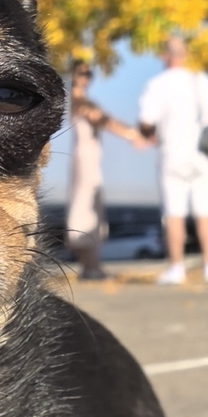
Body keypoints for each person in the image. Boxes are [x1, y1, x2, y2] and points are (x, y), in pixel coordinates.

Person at [136, 33, 208, 284]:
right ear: (185, 55)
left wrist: (149, 134)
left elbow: (146, 121)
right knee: (206, 212)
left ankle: (176, 268)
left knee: (174, 213)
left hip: (171, 155)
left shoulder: (158, 84)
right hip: (200, 156)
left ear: (165, 55)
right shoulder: (201, 80)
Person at [63, 64, 142, 279]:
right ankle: (90, 267)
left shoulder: (81, 101)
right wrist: (131, 134)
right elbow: (104, 120)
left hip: (89, 159)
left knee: (91, 208)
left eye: (90, 74)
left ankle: (92, 266)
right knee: (86, 208)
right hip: (85, 160)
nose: (87, 78)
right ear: (73, 75)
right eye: (82, 73)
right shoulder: (80, 102)